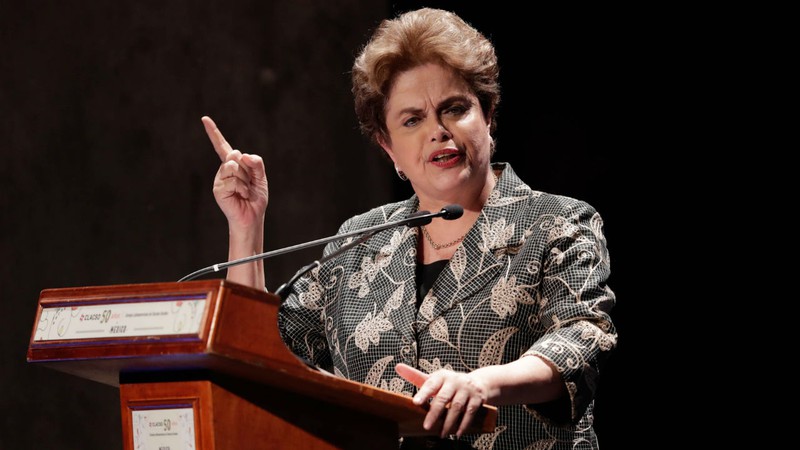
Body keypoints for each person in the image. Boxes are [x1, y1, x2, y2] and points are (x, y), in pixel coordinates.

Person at [202, 7, 617, 450]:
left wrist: (483, 385)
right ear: (388, 146)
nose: (438, 131)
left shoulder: (557, 222)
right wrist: (246, 227)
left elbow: (583, 337)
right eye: (412, 120)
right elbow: (257, 356)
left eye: (455, 109)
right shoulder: (359, 241)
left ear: (489, 115)